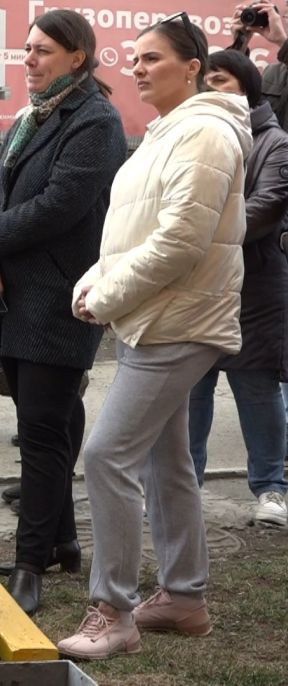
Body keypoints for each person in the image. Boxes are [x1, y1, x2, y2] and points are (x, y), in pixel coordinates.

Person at [57, 14, 250, 660]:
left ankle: (112, 610)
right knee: (166, 462)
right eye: (134, 59)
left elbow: (180, 241)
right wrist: (97, 277)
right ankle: (184, 597)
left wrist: (109, 293)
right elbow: (136, 231)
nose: (136, 68)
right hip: (157, 316)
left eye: (153, 58)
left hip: (178, 319)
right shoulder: (169, 131)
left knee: (107, 454)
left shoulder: (204, 134)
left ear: (193, 66)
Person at [0, 9, 127, 613]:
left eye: (42, 51)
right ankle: (58, 541)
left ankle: (29, 565)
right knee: (49, 418)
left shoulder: (96, 120)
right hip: (13, 294)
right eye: (27, 49)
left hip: (58, 298)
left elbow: (63, 203)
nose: (28, 60)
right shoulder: (34, 114)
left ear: (77, 56)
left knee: (42, 434)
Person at [188, 49, 288, 527]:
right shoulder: (194, 136)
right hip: (200, 286)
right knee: (191, 389)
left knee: (256, 389)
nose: (210, 88)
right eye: (206, 80)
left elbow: (266, 207)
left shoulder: (275, 143)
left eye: (221, 79)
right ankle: (183, 485)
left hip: (255, 289)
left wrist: (198, 234)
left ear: (246, 85)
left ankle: (271, 489)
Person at [239, 1, 288, 125]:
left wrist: (282, 42)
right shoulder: (273, 73)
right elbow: (238, 102)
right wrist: (240, 43)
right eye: (287, 15)